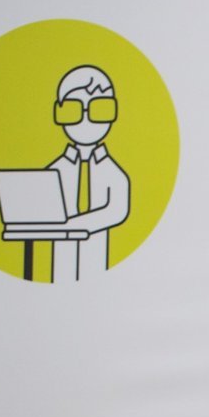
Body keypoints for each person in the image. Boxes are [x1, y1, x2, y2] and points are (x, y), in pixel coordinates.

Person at [47, 64, 130, 279]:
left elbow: (117, 210)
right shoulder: (55, 171)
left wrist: (71, 225)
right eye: (72, 110)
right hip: (60, 259)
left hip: (97, 260)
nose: (86, 119)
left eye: (99, 109)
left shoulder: (112, 171)